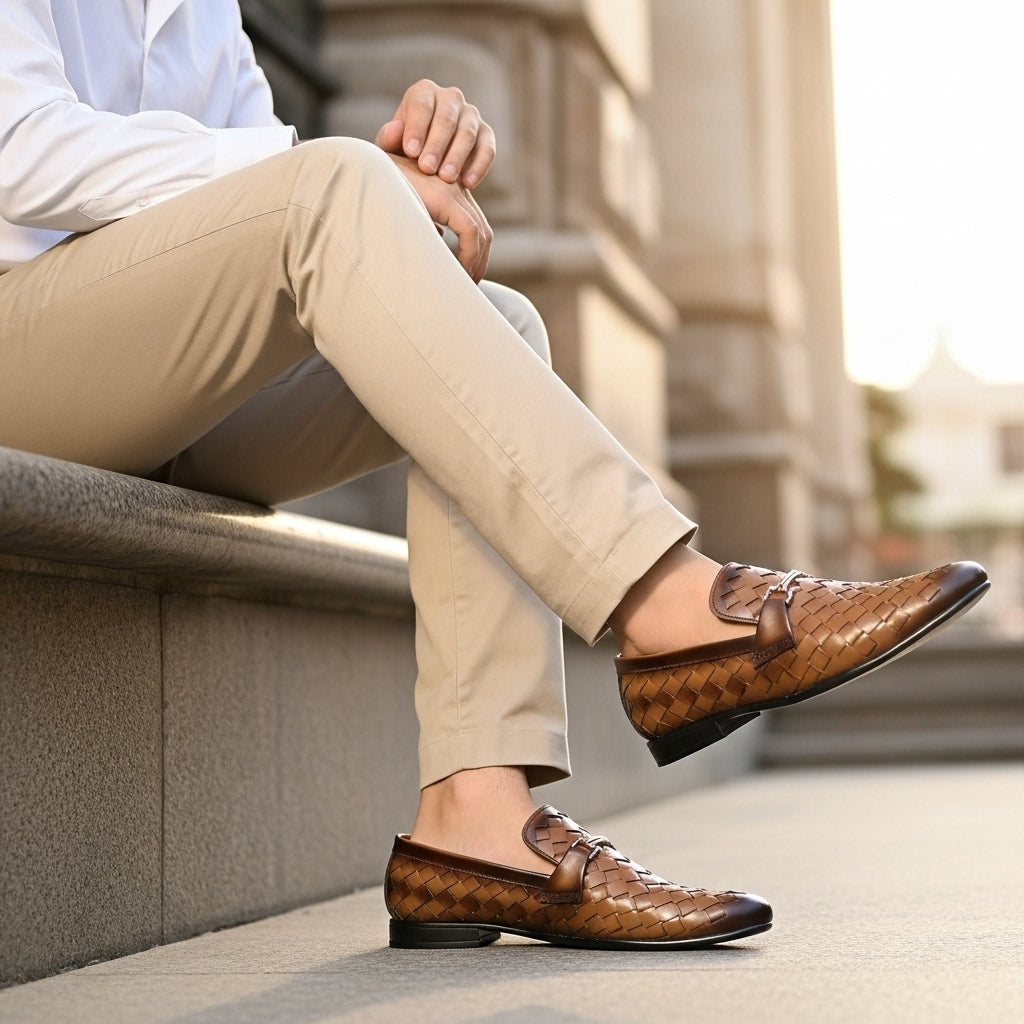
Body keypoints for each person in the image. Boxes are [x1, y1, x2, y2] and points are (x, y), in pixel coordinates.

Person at [0, 1, 988, 952]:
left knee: (499, 318)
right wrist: (348, 184)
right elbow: (21, 149)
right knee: (331, 187)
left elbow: (252, 211)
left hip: (162, 379)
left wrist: (396, 202)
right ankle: (668, 602)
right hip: (25, 360)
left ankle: (474, 818)